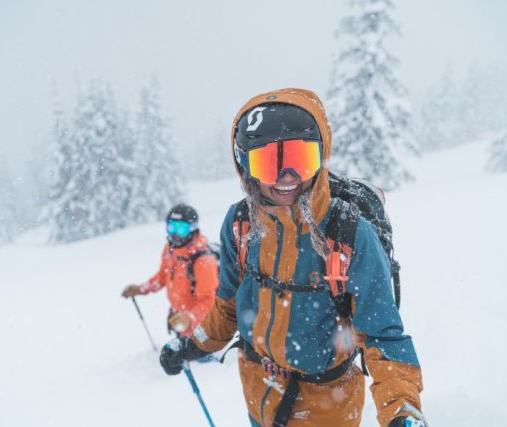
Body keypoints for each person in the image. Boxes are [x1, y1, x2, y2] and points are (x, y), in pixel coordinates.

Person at [158, 89, 426, 427]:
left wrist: (401, 410)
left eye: (300, 159)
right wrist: (191, 345)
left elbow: (382, 336)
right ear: (245, 165)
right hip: (260, 394)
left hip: (329, 407)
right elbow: (227, 307)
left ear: (321, 156)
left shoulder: (349, 235)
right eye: (269, 162)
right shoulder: (241, 224)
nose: (287, 176)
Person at [122, 204, 219, 337]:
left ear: (193, 229)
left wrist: (189, 318)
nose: (175, 235)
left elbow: (209, 302)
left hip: (203, 329)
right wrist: (141, 289)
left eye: (181, 229)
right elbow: (162, 276)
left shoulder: (203, 261)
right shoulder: (170, 251)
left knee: (200, 357)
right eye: (171, 228)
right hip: (181, 323)